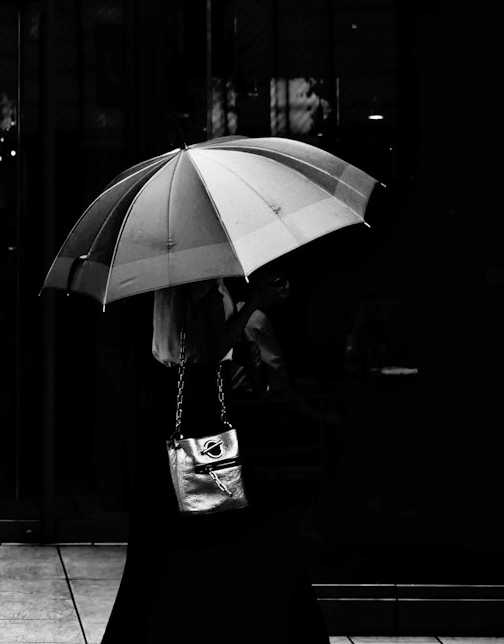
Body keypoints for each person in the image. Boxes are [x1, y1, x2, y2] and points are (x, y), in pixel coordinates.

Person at [100, 270, 331, 643]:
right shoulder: (202, 281)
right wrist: (254, 304)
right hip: (201, 408)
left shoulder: (172, 278)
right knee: (222, 518)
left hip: (178, 403)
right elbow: (209, 350)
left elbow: (190, 341)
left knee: (178, 526)